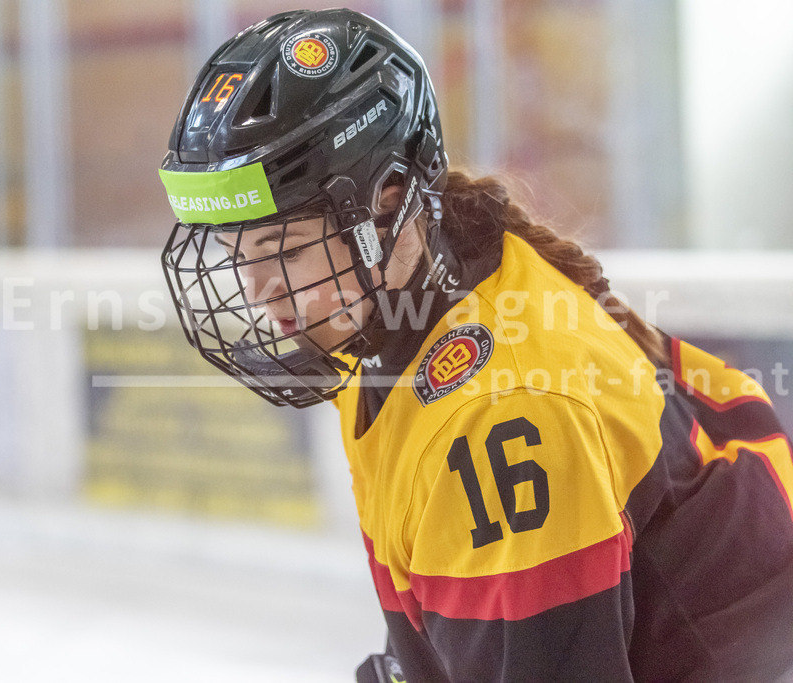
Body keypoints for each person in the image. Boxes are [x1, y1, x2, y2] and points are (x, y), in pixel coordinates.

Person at [157, 8, 793, 681]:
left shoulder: (499, 411)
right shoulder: (398, 318)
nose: (257, 289)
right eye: (236, 252)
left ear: (388, 204)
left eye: (282, 250)